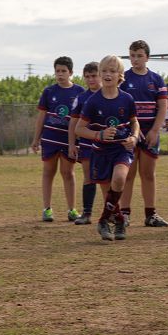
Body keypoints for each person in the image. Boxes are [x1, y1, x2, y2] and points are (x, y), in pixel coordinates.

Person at [73, 55, 139, 241]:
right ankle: (118, 222)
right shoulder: (93, 101)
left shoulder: (127, 99)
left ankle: (102, 220)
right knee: (109, 195)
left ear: (120, 75)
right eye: (104, 71)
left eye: (112, 71)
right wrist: (98, 135)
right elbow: (79, 129)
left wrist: (133, 137)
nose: (108, 74)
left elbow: (135, 123)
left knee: (119, 179)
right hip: (100, 152)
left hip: (121, 149)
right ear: (100, 74)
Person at [119, 40, 168, 227]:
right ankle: (124, 214)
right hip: (130, 133)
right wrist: (132, 130)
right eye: (132, 55)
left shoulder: (156, 80)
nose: (135, 59)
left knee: (148, 174)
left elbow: (163, 107)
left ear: (147, 57)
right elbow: (120, 106)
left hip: (150, 134)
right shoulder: (123, 79)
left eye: (139, 55)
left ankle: (151, 214)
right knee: (128, 174)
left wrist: (155, 131)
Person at [31, 56, 84, 223]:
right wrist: (36, 139)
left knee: (68, 173)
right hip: (50, 138)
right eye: (57, 71)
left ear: (71, 73)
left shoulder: (79, 92)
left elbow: (83, 118)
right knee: (48, 172)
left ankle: (72, 210)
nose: (60, 74)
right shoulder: (49, 92)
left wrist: (80, 140)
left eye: (63, 71)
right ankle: (47, 209)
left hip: (68, 140)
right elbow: (41, 117)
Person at [69, 61, 101, 225]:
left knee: (107, 179)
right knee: (88, 177)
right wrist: (72, 144)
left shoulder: (111, 94)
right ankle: (87, 213)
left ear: (101, 75)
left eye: (94, 76)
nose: (91, 80)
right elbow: (73, 124)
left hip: (106, 146)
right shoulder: (81, 98)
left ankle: (112, 212)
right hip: (88, 145)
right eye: (87, 77)